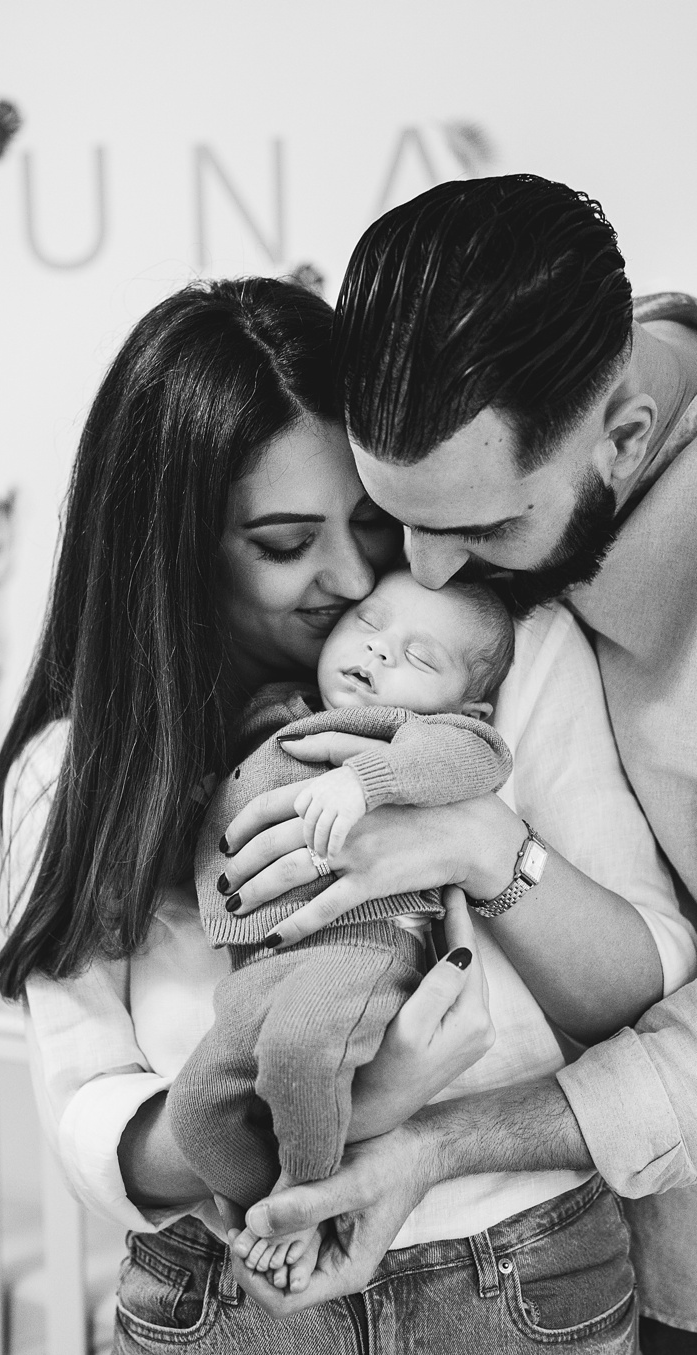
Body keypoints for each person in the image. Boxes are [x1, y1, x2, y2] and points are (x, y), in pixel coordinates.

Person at [0, 275, 693, 1350]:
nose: (351, 573)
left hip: (517, 1276)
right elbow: (98, 1118)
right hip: (231, 1298)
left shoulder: (497, 654)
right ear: (172, 547)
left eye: (369, 519)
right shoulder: (77, 770)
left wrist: (476, 841)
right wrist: (329, 1110)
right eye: (282, 540)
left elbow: (644, 971)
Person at [230, 175, 697, 1354]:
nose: (428, 580)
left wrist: (490, 843)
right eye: (398, 519)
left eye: (484, 530)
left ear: (627, 441)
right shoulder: (576, 383)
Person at [170, 571, 521, 1293]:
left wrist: (364, 782)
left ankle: (304, 1201)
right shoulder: (273, 708)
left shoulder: (432, 734)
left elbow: (476, 759)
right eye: (368, 621)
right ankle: (260, 1218)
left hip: (367, 946)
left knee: (301, 1047)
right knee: (199, 1107)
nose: (380, 651)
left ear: (468, 701)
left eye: (420, 658)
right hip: (265, 962)